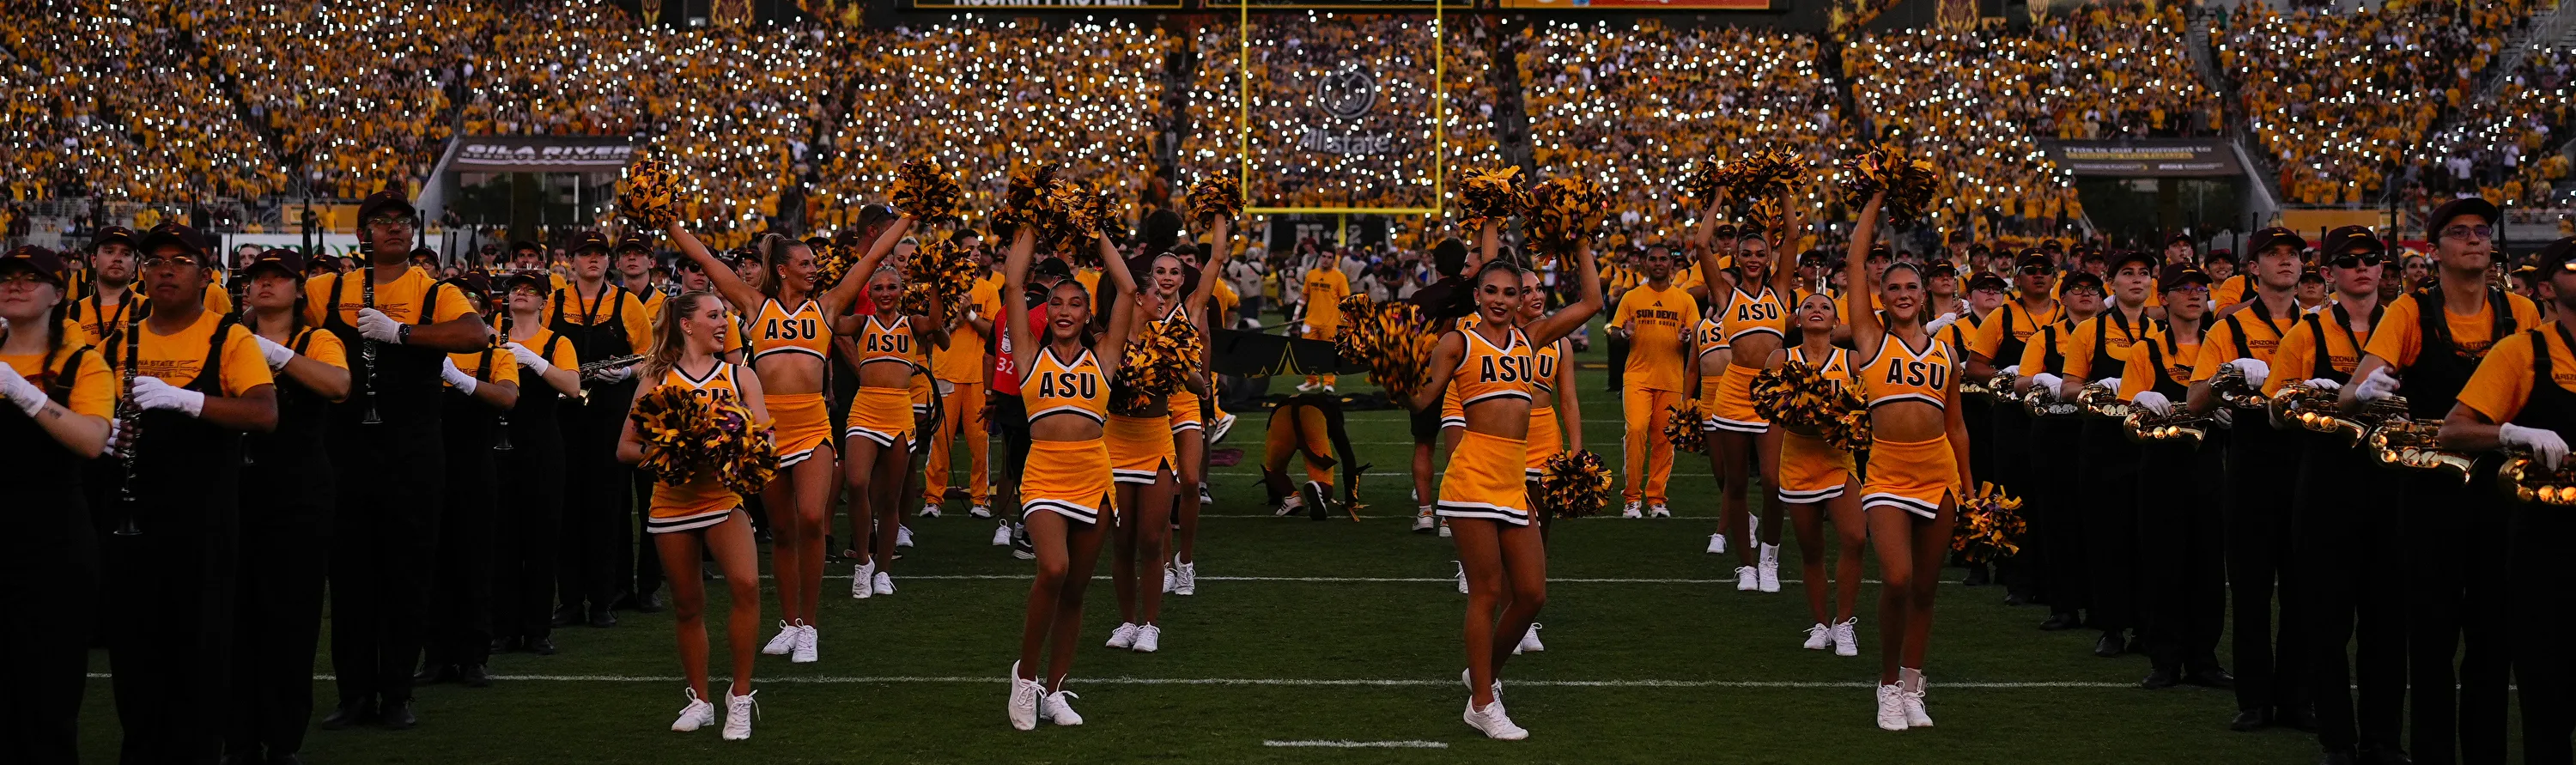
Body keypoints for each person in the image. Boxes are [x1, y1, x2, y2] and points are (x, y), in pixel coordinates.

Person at [2341, 197, 2531, 765]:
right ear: (2436, 248)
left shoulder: (2519, 310)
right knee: (2430, 643)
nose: (2474, 240)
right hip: (2429, 497)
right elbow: (2353, 390)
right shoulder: (2410, 311)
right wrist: (2365, 394)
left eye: (2481, 231)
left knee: (2494, 644)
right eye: (2459, 232)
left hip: (2503, 495)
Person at [1408, 216, 1601, 740]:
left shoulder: (1532, 338)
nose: (1498, 299)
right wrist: (1395, 370)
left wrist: (1579, 239)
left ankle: (1484, 676)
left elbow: (1591, 304)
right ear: (1476, 294)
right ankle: (1483, 701)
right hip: (1472, 474)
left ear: (1521, 298)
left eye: (1509, 292)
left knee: (1533, 594)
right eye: (1490, 290)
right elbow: (1423, 398)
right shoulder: (1458, 343)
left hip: (1514, 478)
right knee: (1487, 592)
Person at [671, 217, 899, 658]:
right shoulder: (755, 307)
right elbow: (703, 257)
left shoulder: (828, 307)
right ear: (782, 269)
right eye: (806, 263)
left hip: (813, 426)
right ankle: (790, 622)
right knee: (780, 530)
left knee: (813, 519)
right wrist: (667, 220)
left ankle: (810, 626)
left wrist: (910, 214)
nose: (815, 268)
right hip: (767, 430)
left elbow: (871, 258)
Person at [311, 191, 489, 731]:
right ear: (364, 232)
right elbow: (267, 318)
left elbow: (475, 334)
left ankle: (397, 692)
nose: (394, 229)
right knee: (349, 575)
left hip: (413, 448)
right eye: (382, 221)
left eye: (403, 222)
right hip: (345, 447)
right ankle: (354, 692)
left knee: (408, 571)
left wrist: (402, 333)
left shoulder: (433, 289)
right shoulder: (329, 288)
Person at [102, 222, 281, 760]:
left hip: (204, 517)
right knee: (134, 648)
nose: (164, 270)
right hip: (134, 512)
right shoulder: (118, 340)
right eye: (155, 260)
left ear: (206, 275)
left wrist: (186, 401)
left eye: (180, 262)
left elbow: (264, 413)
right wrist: (106, 429)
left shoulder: (229, 336)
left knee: (200, 647)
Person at [2265, 227, 2401, 765]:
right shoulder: (2306, 333)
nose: (2362, 268)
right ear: (2328, 274)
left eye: (2372, 259)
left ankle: (2384, 741)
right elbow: (2275, 413)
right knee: (2327, 623)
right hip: (2325, 488)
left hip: (2392, 487)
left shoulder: (2407, 326)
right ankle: (2338, 742)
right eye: (2349, 261)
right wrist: (2312, 396)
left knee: (2388, 626)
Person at [2439, 234, 2576, 765]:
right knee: (2548, 697)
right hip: (2549, 546)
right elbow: (2454, 431)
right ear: (2546, 288)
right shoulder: (2521, 350)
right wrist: (2510, 434)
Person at [1840, 194, 1971, 732]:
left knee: (1925, 587)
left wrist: (1971, 488)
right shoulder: (1870, 340)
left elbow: (1956, 426)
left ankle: (1915, 685)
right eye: (1891, 287)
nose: (1900, 294)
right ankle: (1887, 685)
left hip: (1939, 474)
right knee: (1896, 578)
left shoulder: (1947, 355)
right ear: (1881, 295)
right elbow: (1852, 262)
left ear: (1925, 296)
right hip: (1889, 473)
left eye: (1909, 287)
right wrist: (1876, 198)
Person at [616, 290, 769, 741]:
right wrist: (673, 451)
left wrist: (733, 443)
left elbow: (765, 436)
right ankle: (700, 700)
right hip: (673, 502)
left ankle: (739, 698)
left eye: (725, 316)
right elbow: (625, 448)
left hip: (723, 499)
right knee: (687, 606)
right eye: (714, 315)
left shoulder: (741, 376)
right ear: (686, 324)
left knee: (746, 585)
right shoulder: (658, 380)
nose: (724, 323)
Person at [999, 221, 1133, 730]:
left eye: (1076, 304)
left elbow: (1127, 287)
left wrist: (1094, 227)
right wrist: (1034, 220)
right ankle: (1025, 678)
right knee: (1052, 569)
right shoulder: (1030, 355)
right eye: (1057, 303)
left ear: (1087, 314)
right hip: (1045, 474)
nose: (1065, 311)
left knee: (1076, 589)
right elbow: (1012, 284)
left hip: (1094, 475)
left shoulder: (1106, 356)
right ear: (1045, 311)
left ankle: (1055, 690)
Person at [2186, 227, 2311, 732]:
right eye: (2272, 254)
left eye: (2293, 254)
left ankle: (2298, 697)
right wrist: (2225, 379)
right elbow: (2195, 401)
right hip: (2252, 463)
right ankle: (2256, 699)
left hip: (2308, 463)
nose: (2285, 262)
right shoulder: (2228, 327)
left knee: (2303, 588)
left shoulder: (2320, 326)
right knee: (2253, 586)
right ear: (2252, 268)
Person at [228, 248, 350, 765]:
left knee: (291, 616)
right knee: (234, 616)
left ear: (299, 289)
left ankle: (282, 739)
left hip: (299, 489)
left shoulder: (316, 338)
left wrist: (275, 356)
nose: (266, 286)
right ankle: (236, 736)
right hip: (235, 487)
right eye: (258, 278)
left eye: (278, 278)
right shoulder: (228, 335)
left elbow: (339, 385)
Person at [0, 245, 114, 765]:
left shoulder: (82, 362)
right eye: (8, 277)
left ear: (58, 293)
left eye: (31, 277)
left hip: (52, 546)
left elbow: (91, 441)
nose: (16, 285)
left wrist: (26, 396)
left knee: (48, 700)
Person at [2118, 262, 2232, 692]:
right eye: (2182, 288)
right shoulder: (2144, 351)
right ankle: (2164, 659)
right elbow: (2129, 415)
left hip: (2208, 467)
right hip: (2161, 468)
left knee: (2207, 565)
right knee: (2163, 564)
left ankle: (2204, 658)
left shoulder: (2217, 345)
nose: (2195, 294)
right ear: (2162, 299)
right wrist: (2141, 401)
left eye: (2201, 287)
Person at [2050, 250, 2157, 658]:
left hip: (2149, 445)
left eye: (2143, 274)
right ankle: (2111, 625)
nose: (2136, 280)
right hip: (2103, 444)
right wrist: (2105, 387)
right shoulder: (2089, 331)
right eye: (2127, 274)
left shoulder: (2161, 329)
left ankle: (2148, 626)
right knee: (2107, 536)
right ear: (2111, 283)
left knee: (2147, 538)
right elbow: (2068, 388)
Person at [417, 273, 519, 689]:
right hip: (428, 462)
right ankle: (436, 655)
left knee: (475, 560)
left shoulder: (497, 352)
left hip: (475, 464)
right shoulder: (430, 346)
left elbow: (508, 396)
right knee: (432, 560)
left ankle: (473, 655)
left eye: (471, 301)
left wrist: (461, 380)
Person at [1693, 196, 1799, 593]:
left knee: (1773, 482)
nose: (1754, 259)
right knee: (1735, 484)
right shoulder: (1725, 295)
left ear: (1769, 257)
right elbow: (1702, 245)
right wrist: (1718, 198)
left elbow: (1792, 235)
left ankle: (1769, 556)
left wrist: (1785, 190)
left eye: (1760, 253)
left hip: (1771, 393)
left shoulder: (1780, 291)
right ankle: (1746, 565)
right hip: (1734, 390)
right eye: (1746, 253)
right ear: (1736, 258)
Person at [550, 230, 655, 628]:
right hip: (565, 413)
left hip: (611, 413)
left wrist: (626, 371)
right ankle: (570, 600)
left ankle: (603, 599)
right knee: (567, 507)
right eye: (584, 254)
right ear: (571, 261)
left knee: (607, 508)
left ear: (607, 261)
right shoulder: (555, 301)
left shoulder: (627, 304)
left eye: (598, 254)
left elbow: (650, 359)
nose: (592, 260)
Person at [842, 216, 939, 598]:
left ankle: (883, 570)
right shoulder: (861, 322)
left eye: (891, 287)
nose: (885, 293)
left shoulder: (911, 323)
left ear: (901, 290)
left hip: (900, 410)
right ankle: (863, 561)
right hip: (865, 407)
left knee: (891, 497)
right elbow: (829, 319)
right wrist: (850, 275)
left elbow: (935, 321)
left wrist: (935, 280)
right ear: (870, 290)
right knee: (857, 483)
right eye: (878, 287)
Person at [1765, 291, 1867, 658]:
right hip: (1798, 462)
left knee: (1855, 538)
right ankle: (1821, 624)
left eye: (1825, 307)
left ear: (1836, 322)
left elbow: (1866, 409)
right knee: (1811, 550)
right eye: (1809, 306)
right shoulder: (1781, 358)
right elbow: (1768, 408)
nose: (1817, 311)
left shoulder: (1852, 360)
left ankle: (1844, 623)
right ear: (1798, 318)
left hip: (1839, 461)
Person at [491, 270, 582, 659]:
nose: (522, 294)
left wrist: (532, 359)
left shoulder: (557, 341)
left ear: (545, 302)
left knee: (542, 540)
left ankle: (538, 629)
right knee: (503, 541)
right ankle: (505, 629)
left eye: (530, 291)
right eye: (515, 289)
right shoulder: (492, 341)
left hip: (543, 447)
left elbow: (573, 386)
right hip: (498, 447)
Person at [1963, 249, 2062, 605]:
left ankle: (2055, 580)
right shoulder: (2001, 317)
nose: (2038, 275)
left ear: (2055, 276)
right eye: (2030, 270)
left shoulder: (2069, 317)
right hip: (2012, 421)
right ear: (2016, 278)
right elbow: (1975, 366)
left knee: (2053, 499)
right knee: (2014, 498)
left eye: (2045, 269)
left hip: (2057, 421)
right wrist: (2006, 378)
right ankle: (2017, 579)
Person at [2013, 270, 2100, 633]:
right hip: (2055, 435)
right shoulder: (2044, 336)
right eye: (2076, 290)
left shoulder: (2118, 336)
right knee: (2058, 519)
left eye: (2092, 290)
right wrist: (2037, 379)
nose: (2084, 295)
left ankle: (2103, 607)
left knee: (2100, 523)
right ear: (2062, 299)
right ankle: (2063, 605)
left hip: (2099, 435)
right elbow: (2019, 382)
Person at [1510, 266, 1581, 655]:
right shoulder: (1503, 339)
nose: (1537, 296)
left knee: (1541, 531)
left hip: (1546, 436)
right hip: (1508, 438)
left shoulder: (1560, 343)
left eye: (1539, 289)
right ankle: (1512, 612)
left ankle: (1528, 618)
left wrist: (1576, 451)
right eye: (1527, 291)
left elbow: (1568, 398)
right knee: (1511, 529)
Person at [1606, 244, 1696, 519]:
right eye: (1653, 259)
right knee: (1635, 430)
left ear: (1672, 264)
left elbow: (1696, 335)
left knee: (1664, 440)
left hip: (1671, 379)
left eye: (1663, 259)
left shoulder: (1685, 300)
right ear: (1645, 264)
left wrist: (1688, 338)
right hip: (1637, 377)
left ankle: (1656, 499)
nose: (1658, 263)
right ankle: (1632, 499)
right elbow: (1614, 332)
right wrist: (1623, 334)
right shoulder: (1632, 297)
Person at [924, 230, 994, 519]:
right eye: (969, 249)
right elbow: (932, 330)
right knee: (940, 440)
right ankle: (932, 498)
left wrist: (971, 315)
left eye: (978, 248)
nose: (976, 253)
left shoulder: (988, 289)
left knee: (980, 442)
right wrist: (955, 319)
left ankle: (980, 499)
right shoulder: (940, 287)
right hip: (945, 372)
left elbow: (994, 332)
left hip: (978, 374)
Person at [1296, 249, 1349, 392]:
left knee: (1327, 354)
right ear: (1320, 257)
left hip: (1329, 323)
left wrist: (1344, 323)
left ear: (1334, 260)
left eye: (1329, 257)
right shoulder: (1312, 275)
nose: (1326, 259)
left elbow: (1345, 301)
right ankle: (1311, 381)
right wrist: (1296, 315)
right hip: (1310, 321)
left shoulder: (1339, 277)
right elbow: (1304, 296)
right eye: (1324, 256)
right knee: (1307, 353)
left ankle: (1328, 383)